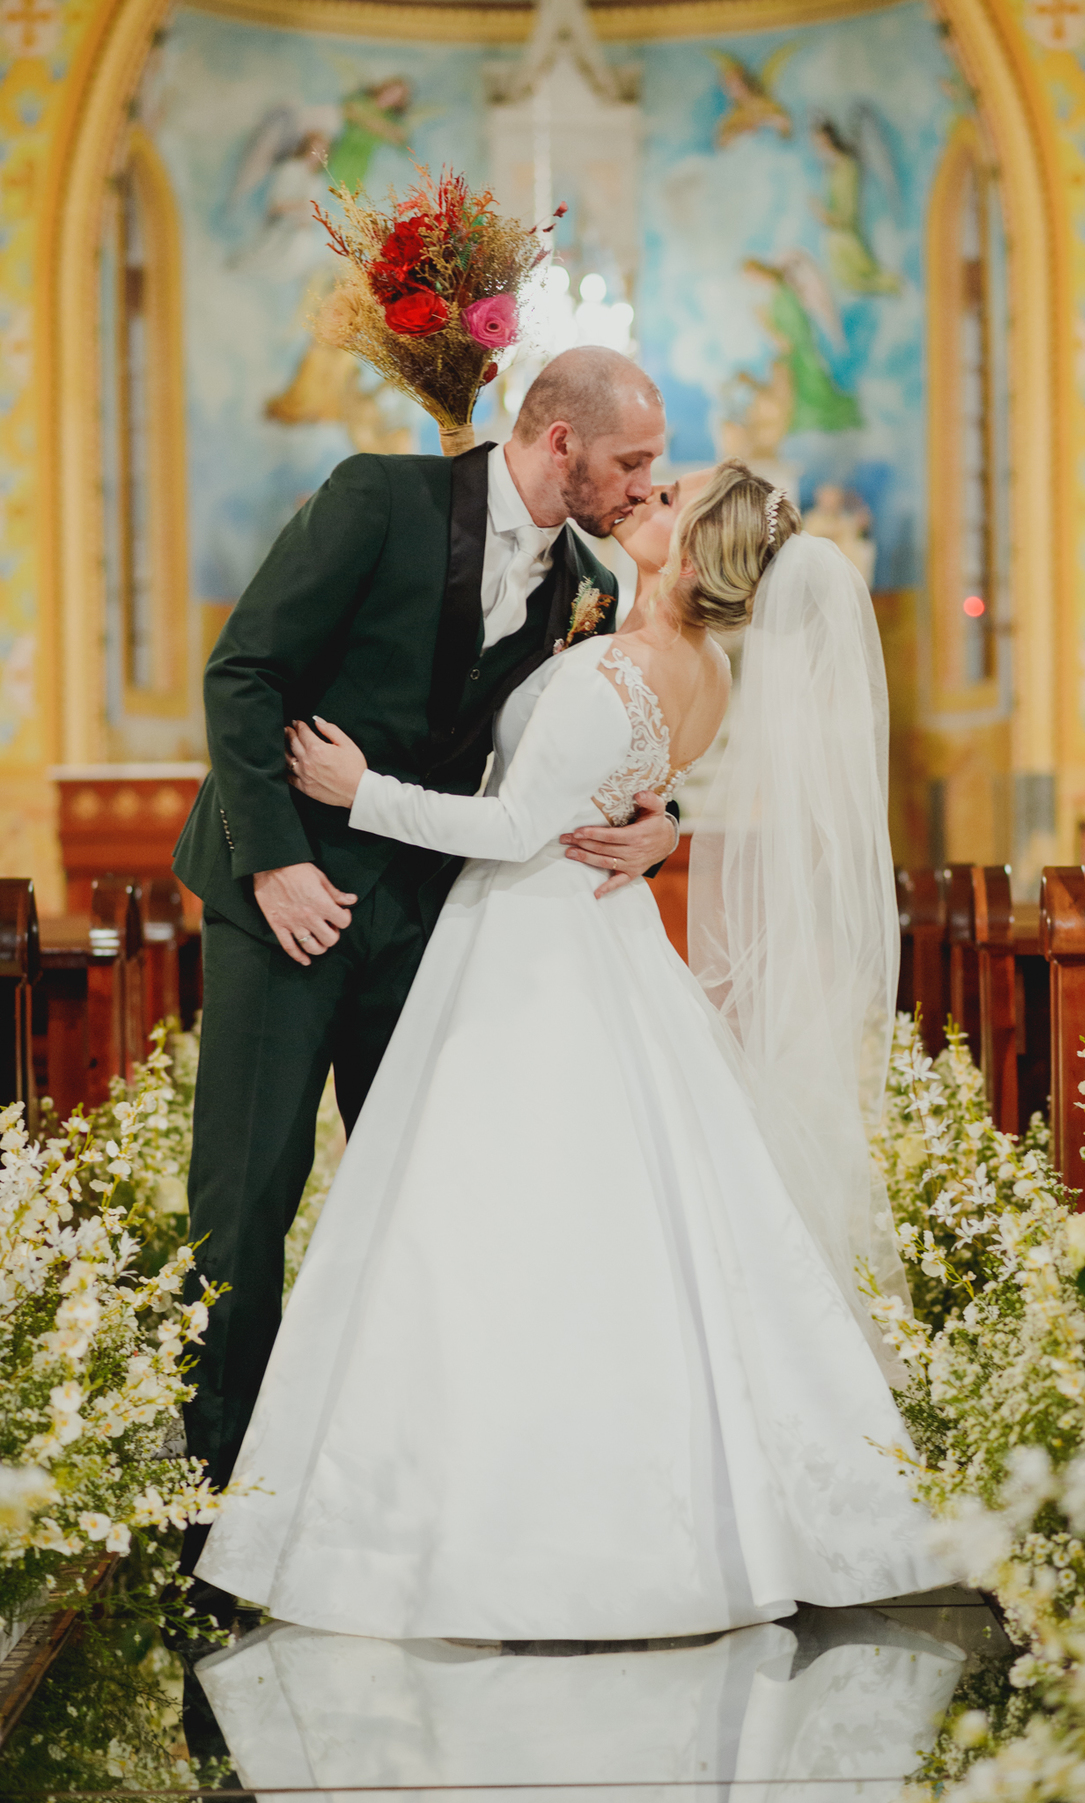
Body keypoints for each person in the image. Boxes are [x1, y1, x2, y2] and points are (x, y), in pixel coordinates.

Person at [195, 459, 947, 1639]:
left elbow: (512, 824)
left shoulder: (617, 665)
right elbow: (622, 779)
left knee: (498, 1220)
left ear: (693, 554)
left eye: (669, 497)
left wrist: (356, 785)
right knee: (619, 1210)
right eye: (648, 477)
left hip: (530, 944)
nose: (647, 497)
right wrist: (664, 822)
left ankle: (482, 1509)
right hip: (599, 939)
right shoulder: (699, 669)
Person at [171, 347, 679, 1616]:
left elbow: (602, 739)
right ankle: (212, 1517)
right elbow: (243, 674)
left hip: (422, 920)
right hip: (280, 903)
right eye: (631, 461)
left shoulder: (586, 585)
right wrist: (277, 864)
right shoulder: (379, 500)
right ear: (559, 443)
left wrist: (668, 823)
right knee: (247, 1197)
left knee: (422, 1204)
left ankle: (379, 1499)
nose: (643, 485)